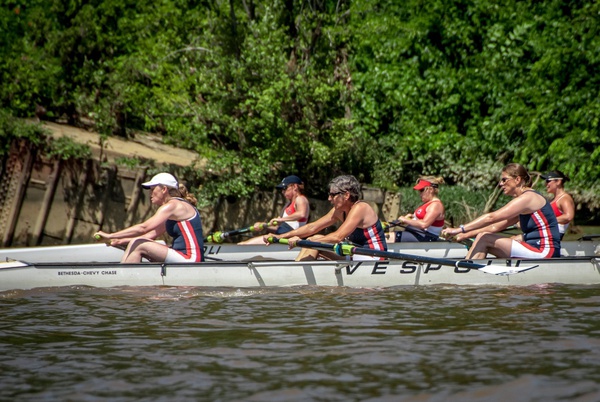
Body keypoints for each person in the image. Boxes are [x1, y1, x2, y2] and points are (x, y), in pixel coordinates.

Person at [441, 163, 560, 259]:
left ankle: (465, 275)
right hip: (533, 248)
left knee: (484, 238)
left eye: (504, 180)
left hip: (544, 252)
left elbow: (491, 218)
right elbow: (494, 227)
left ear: (517, 179)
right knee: (484, 238)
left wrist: (458, 229)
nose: (500, 183)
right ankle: (470, 273)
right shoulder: (523, 202)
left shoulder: (528, 198)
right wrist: (465, 235)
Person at [267, 175, 387, 261]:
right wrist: (279, 236)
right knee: (315, 238)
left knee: (314, 241)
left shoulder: (361, 208)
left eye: (332, 195)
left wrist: (305, 241)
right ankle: (297, 268)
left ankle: (296, 276)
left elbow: (337, 237)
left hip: (373, 257)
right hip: (354, 255)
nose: (329, 199)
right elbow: (312, 227)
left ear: (346, 195)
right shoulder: (339, 211)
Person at [94, 172, 205, 263]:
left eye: (152, 189)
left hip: (190, 259)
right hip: (181, 255)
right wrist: (118, 241)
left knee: (138, 244)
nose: (150, 194)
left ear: (164, 189)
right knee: (138, 241)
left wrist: (110, 235)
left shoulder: (172, 206)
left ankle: (125, 282)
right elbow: (150, 235)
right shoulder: (173, 209)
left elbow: (144, 228)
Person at [238, 175, 310, 245]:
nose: (282, 192)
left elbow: (301, 214)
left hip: (290, 238)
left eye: (284, 188)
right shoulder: (287, 205)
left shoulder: (300, 199)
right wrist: (263, 225)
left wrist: (281, 219)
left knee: (244, 244)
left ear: (294, 187)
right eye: (282, 189)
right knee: (243, 244)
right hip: (279, 235)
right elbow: (277, 227)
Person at [387, 176, 445, 242]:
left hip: (427, 238)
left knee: (385, 238)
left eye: (421, 190)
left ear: (431, 190)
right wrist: (412, 217)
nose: (419, 193)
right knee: (384, 237)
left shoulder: (436, 205)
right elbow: (422, 219)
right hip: (418, 234)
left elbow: (424, 224)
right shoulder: (428, 203)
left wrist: (406, 220)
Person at [541, 170, 575, 240]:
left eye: (548, 181)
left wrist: (548, 220)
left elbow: (569, 216)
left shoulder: (565, 199)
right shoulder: (554, 200)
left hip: (555, 235)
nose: (546, 184)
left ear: (558, 182)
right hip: (547, 233)